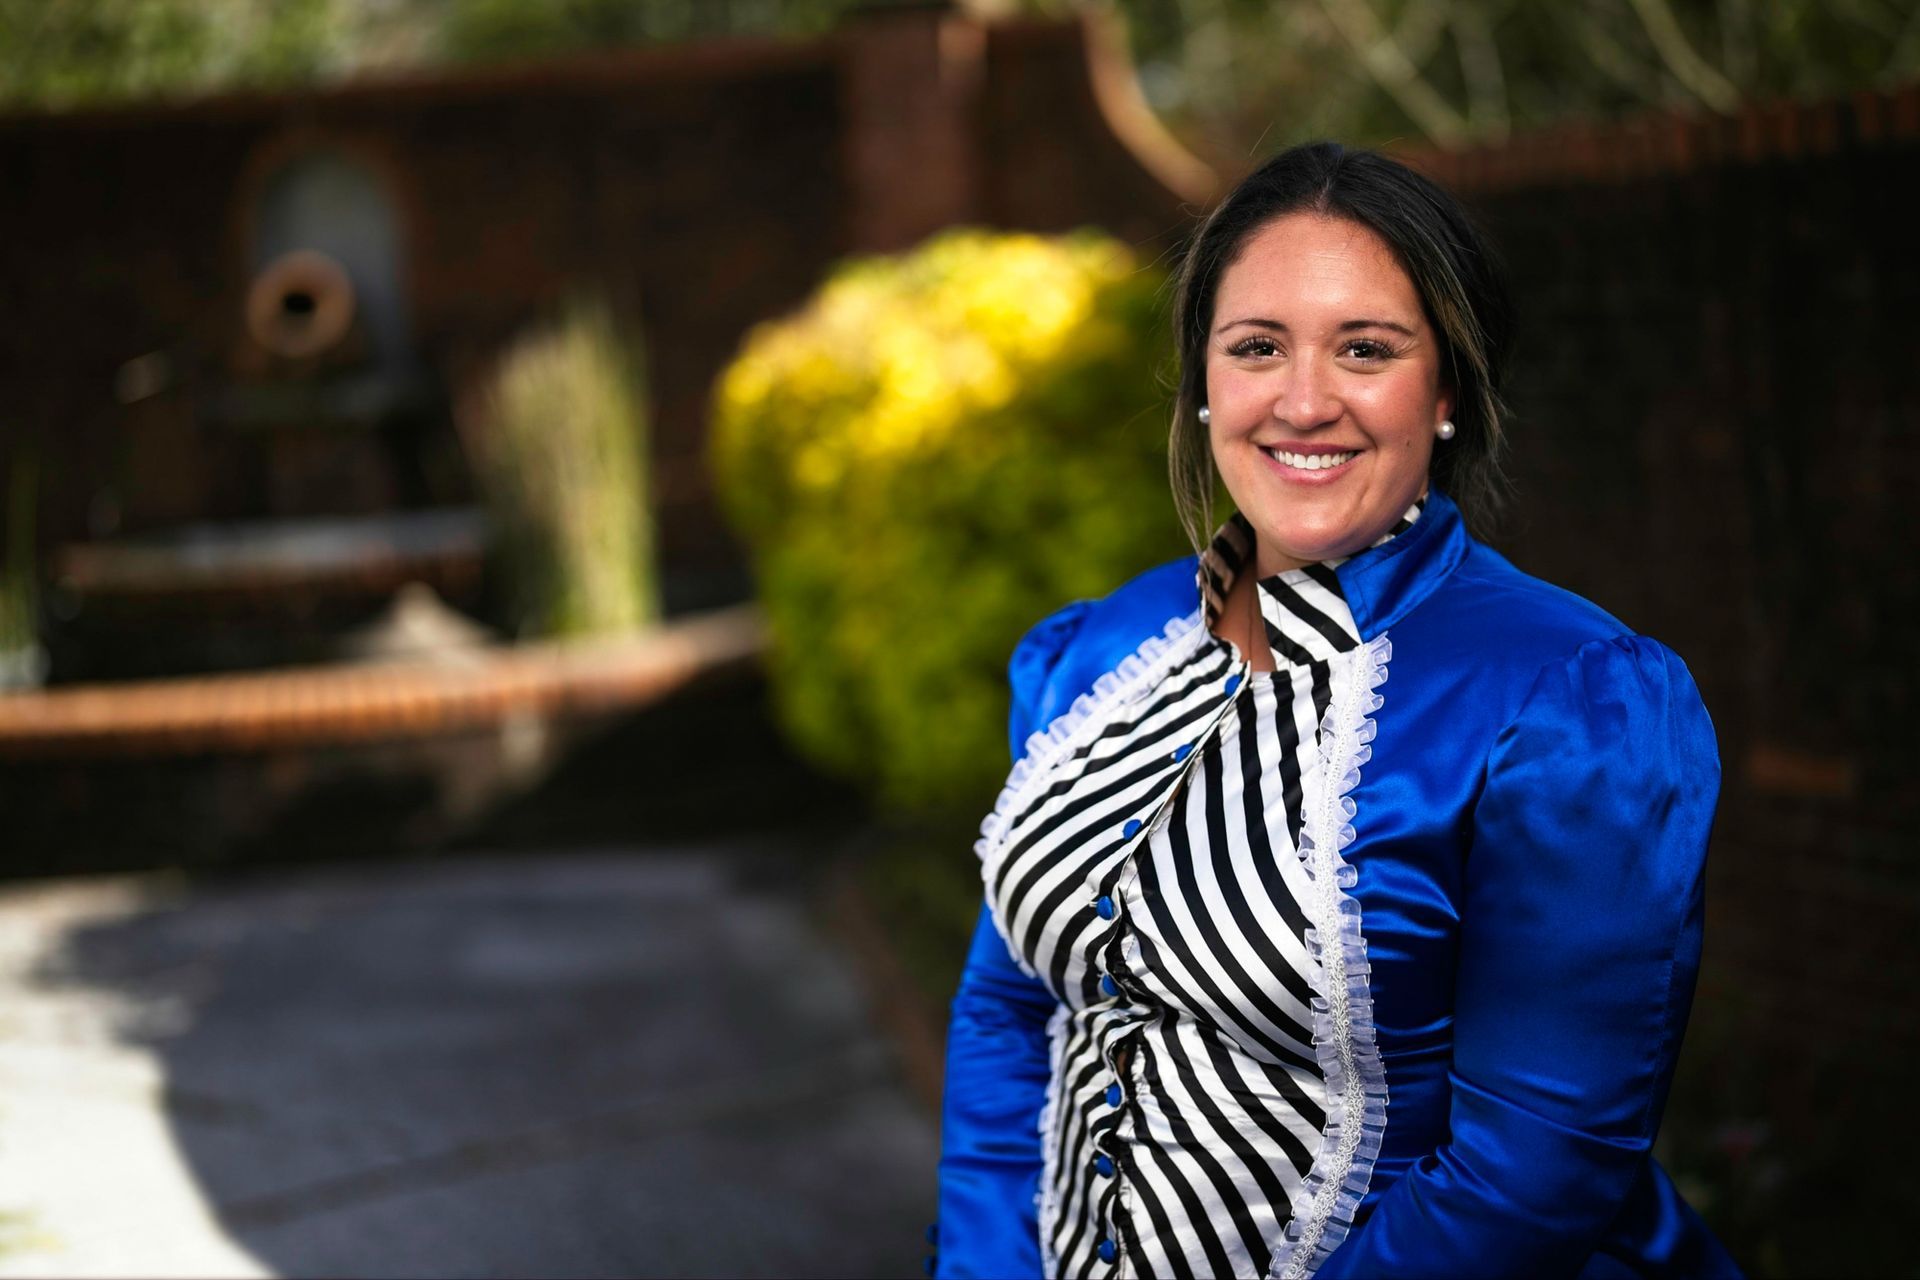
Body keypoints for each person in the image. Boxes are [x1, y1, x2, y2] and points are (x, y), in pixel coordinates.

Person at [931, 141, 1742, 1279]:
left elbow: (1534, 1170)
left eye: (1366, 349)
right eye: (1257, 347)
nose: (1304, 401)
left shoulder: (1567, 702)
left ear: (1447, 390)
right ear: (1205, 382)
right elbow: (1011, 1007)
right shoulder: (1095, 656)